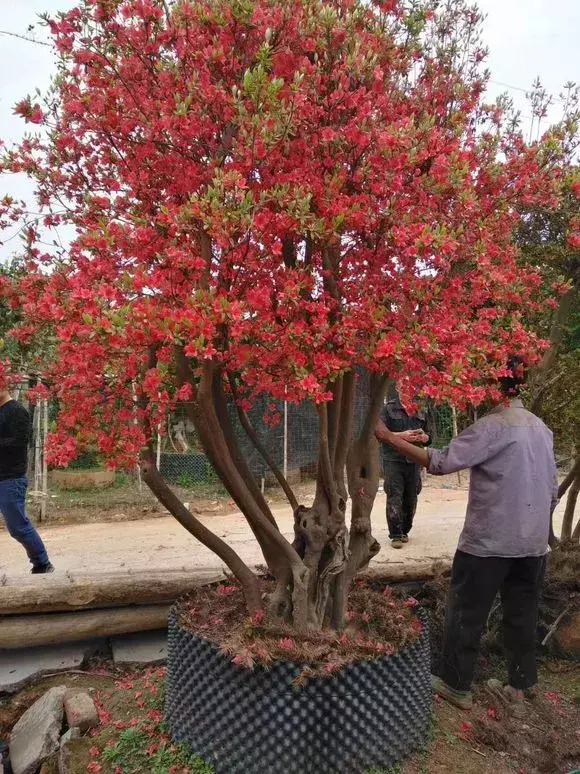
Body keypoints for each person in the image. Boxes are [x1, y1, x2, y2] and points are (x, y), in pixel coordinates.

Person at [375, 357, 558, 710]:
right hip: (533, 545)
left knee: (466, 612)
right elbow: (552, 491)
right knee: (522, 614)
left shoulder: (491, 427)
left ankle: (456, 685)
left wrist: (386, 437)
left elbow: (441, 463)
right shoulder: (541, 429)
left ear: (493, 387)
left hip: (488, 544)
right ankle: (519, 686)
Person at [0, 388, 54, 573]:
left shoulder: (17, 411)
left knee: (17, 527)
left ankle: (42, 562)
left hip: (10, 479)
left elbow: (19, 442)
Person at [379, 387, 432, 549]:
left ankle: (405, 530)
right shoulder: (388, 409)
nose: (408, 390)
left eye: (411, 386)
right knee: (395, 495)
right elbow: (380, 433)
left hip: (414, 460)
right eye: (403, 386)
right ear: (398, 388)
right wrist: (402, 436)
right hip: (393, 460)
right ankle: (395, 534)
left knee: (411, 496)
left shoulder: (421, 409)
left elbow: (430, 437)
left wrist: (423, 437)